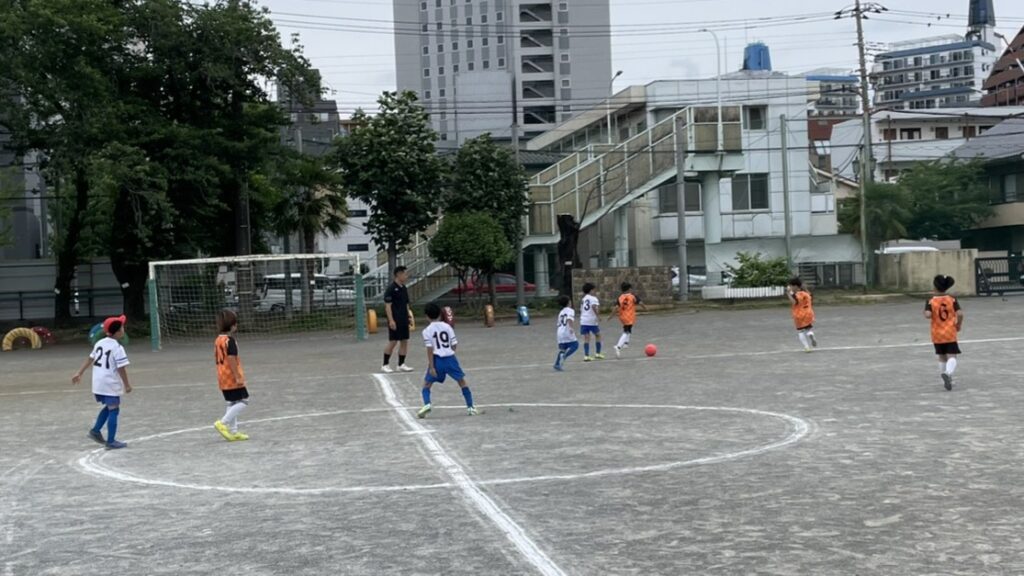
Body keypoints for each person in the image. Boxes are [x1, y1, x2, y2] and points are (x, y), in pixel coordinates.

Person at [72, 315, 132, 449]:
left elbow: (90, 359)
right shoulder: (117, 347)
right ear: (118, 332)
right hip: (109, 382)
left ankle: (95, 431)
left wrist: (79, 372)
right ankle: (111, 441)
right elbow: (121, 368)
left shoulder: (99, 343)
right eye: (122, 327)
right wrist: (127, 385)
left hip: (98, 382)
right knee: (114, 410)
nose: (123, 329)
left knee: (110, 407)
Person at [418, 302, 477, 418]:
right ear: (440, 314)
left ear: (427, 316)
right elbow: (454, 344)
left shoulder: (426, 331)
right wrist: (450, 352)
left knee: (427, 384)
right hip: (450, 358)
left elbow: (430, 350)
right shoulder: (447, 327)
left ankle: (427, 404)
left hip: (437, 360)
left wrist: (432, 366)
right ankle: (470, 407)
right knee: (462, 381)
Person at [213, 309, 250, 441]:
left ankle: (233, 431)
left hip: (222, 376)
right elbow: (231, 359)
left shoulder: (218, 340)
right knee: (244, 400)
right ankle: (222, 423)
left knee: (232, 402)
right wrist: (238, 376)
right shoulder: (230, 341)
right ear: (232, 325)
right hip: (231, 377)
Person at [925, 275, 964, 391]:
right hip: (950, 332)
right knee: (952, 356)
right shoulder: (952, 299)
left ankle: (946, 379)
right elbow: (960, 314)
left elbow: (928, 315)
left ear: (935, 287)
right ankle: (948, 373)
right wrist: (959, 324)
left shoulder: (930, 300)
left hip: (937, 333)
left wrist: (926, 311)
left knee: (942, 357)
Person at [382, 266, 414, 373]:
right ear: (398, 274)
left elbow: (406, 304)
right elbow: (388, 306)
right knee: (393, 341)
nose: (406, 276)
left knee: (404, 341)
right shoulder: (391, 289)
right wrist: (391, 320)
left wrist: (409, 316)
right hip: (395, 319)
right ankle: (385, 364)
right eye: (405, 274)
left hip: (403, 318)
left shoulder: (404, 288)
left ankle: (401, 364)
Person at [609, 282, 646, 358]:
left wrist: (611, 316)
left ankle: (626, 343)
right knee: (626, 331)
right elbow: (640, 303)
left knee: (628, 328)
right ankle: (618, 346)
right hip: (629, 316)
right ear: (629, 289)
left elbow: (616, 308)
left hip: (622, 317)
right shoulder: (633, 296)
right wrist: (645, 308)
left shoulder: (620, 297)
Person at [787, 277, 818, 352]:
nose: (790, 287)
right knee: (808, 328)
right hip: (808, 313)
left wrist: (788, 293)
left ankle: (806, 347)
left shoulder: (796, 294)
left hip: (799, 314)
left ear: (795, 286)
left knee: (801, 331)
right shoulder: (806, 293)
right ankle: (810, 334)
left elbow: (795, 302)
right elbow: (811, 297)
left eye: (791, 286)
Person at [579, 282, 604, 361]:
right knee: (598, 335)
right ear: (591, 290)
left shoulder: (583, 299)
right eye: (594, 290)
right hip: (591, 320)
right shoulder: (593, 298)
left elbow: (581, 309)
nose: (595, 291)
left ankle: (586, 355)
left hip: (583, 320)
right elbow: (593, 307)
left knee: (586, 338)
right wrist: (598, 316)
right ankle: (598, 353)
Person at [554, 295, 579, 371]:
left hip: (560, 331)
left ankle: (557, 364)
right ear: (568, 302)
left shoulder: (561, 312)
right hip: (567, 330)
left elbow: (559, 323)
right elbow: (569, 319)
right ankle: (564, 356)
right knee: (575, 345)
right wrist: (571, 328)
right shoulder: (570, 310)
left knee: (563, 349)